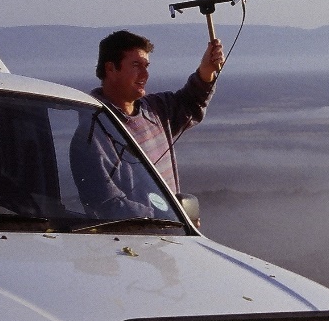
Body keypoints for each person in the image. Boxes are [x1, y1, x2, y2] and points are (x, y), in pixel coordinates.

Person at [70, 30, 224, 216]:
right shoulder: (93, 134)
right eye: (136, 65)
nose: (145, 74)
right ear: (110, 69)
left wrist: (206, 71)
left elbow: (191, 104)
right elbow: (106, 204)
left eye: (146, 65)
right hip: (130, 241)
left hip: (170, 234)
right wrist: (167, 217)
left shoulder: (155, 109)